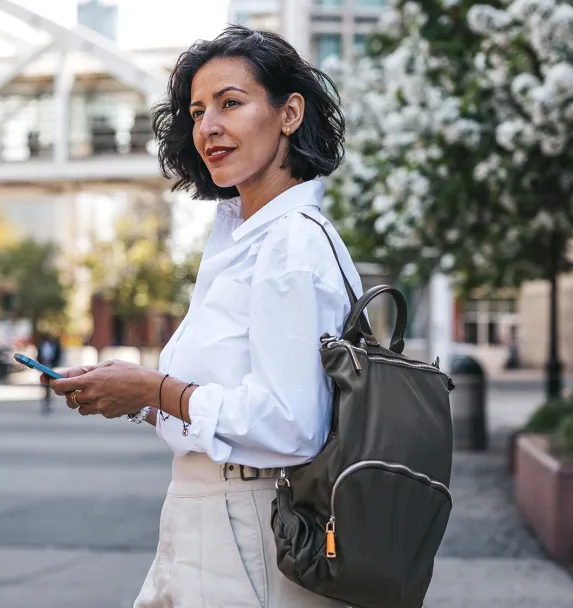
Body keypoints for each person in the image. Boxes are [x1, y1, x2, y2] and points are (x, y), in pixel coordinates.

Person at [45, 26, 358, 608]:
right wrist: (138, 397)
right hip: (210, 522)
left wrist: (156, 387)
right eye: (196, 111)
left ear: (290, 113)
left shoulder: (289, 245)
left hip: (247, 531)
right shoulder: (242, 239)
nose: (208, 126)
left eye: (231, 103)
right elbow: (235, 396)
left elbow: (293, 425)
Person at [36, 332, 63, 413]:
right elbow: (39, 355)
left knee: (51, 385)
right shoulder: (41, 345)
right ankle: (45, 401)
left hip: (51, 366)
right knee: (44, 385)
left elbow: (58, 355)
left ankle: (50, 401)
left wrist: (54, 363)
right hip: (43, 366)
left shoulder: (54, 345)